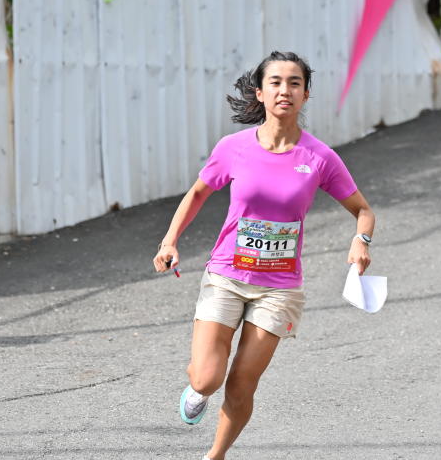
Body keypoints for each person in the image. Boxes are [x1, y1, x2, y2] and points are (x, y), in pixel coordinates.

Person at [153, 51, 376, 460]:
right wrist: (170, 240)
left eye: (294, 83)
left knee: (241, 384)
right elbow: (199, 192)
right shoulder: (234, 148)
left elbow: (363, 210)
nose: (284, 90)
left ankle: (214, 456)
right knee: (206, 378)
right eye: (275, 82)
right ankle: (198, 391)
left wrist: (361, 243)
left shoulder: (319, 157)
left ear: (306, 94)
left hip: (279, 290)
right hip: (226, 274)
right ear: (260, 92)